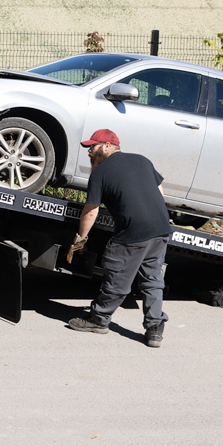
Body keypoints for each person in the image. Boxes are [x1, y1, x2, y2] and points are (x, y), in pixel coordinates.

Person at [64, 129, 170, 348]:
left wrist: (80, 240)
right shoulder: (142, 160)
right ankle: (154, 329)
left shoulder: (100, 173)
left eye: (92, 147)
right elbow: (160, 191)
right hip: (160, 228)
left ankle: (99, 320)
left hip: (132, 233)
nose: (89, 152)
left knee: (118, 278)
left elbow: (91, 211)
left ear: (107, 146)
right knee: (152, 280)